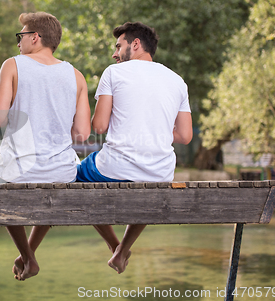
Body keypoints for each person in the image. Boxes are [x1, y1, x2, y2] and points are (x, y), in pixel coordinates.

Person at [76, 22, 193, 274]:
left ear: (135, 44)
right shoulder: (177, 81)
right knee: (150, 184)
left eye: (119, 46)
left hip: (114, 168)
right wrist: (156, 132)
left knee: (75, 179)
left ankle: (114, 245)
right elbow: (185, 135)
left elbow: (99, 126)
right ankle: (122, 249)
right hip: (161, 172)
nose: (114, 53)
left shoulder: (113, 73)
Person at [0, 12, 91, 281]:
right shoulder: (76, 76)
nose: (18, 43)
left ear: (35, 37)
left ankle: (28, 255)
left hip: (19, 170)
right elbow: (82, 134)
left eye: (20, 36)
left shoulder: (13, 65)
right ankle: (29, 253)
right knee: (52, 181)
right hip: (62, 172)